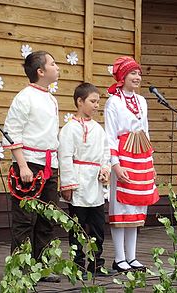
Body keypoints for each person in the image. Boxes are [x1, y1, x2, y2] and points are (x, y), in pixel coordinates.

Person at [2, 50, 61, 282]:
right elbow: (11, 132)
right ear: (40, 71)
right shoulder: (24, 97)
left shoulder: (51, 98)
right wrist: (23, 166)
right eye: (53, 64)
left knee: (47, 218)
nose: (57, 68)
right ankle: (20, 268)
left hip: (49, 164)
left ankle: (42, 266)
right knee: (25, 220)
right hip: (29, 165)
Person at [104, 56, 160, 272]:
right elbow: (110, 135)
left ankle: (132, 256)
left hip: (141, 155)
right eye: (132, 73)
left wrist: (151, 163)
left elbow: (145, 131)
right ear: (122, 76)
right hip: (123, 154)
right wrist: (115, 164)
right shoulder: (113, 102)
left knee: (137, 204)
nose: (137, 77)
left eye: (139, 73)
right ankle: (119, 258)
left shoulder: (142, 101)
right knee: (122, 205)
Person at [58, 82, 111, 275]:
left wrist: (105, 169)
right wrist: (68, 184)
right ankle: (77, 264)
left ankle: (97, 263)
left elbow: (106, 153)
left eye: (98, 102)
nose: (97, 105)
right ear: (80, 101)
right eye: (93, 101)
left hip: (95, 184)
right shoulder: (69, 129)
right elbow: (64, 157)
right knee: (78, 227)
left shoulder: (98, 128)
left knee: (97, 227)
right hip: (79, 182)